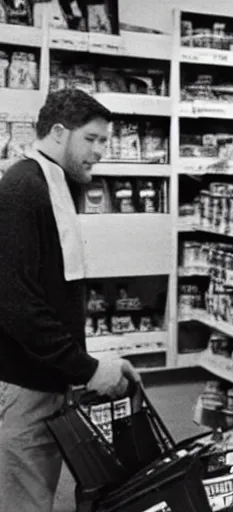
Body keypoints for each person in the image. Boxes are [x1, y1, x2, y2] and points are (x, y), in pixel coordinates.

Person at [0, 88, 141, 512]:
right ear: (59, 133)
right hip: (25, 385)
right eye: (92, 139)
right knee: (24, 499)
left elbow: (53, 289)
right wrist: (86, 368)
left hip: (49, 380)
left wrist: (86, 367)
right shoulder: (21, 190)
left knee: (37, 491)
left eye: (105, 140)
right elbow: (16, 304)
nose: (101, 151)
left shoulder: (54, 182)